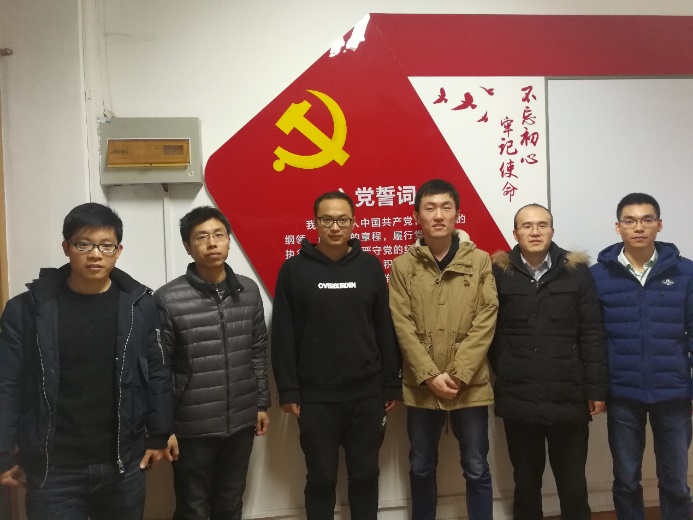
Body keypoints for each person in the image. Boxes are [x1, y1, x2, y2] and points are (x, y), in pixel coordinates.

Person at [0, 202, 173, 520]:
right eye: (84, 244)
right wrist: (3, 450)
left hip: (122, 463)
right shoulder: (26, 310)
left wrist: (160, 432)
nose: (95, 254)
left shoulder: (141, 306)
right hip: (54, 469)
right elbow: (7, 382)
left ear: (118, 251)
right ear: (66, 247)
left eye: (106, 245)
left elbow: (157, 370)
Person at [271, 191, 402, 520]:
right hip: (316, 397)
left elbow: (384, 328)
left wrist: (390, 383)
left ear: (353, 223)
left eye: (342, 220)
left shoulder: (370, 266)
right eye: (326, 219)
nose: (334, 227)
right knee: (321, 477)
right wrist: (288, 390)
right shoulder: (293, 270)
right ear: (315, 223)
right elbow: (283, 335)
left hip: (366, 394)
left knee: (365, 475)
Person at [489, 203, 608, 520]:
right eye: (527, 226)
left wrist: (596, 388)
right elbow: (490, 334)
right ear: (515, 233)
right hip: (519, 396)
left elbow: (592, 331)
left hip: (568, 395)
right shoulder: (499, 273)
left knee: (573, 483)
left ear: (552, 231)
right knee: (525, 483)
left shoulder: (576, 271)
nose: (535, 231)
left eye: (542, 225)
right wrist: (507, 370)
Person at [389, 179, 498, 520]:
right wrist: (429, 375)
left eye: (445, 207)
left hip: (471, 384)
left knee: (476, 466)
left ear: (457, 214)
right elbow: (402, 324)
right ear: (417, 216)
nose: (438, 215)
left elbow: (487, 318)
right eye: (430, 208)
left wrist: (460, 372)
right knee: (421, 465)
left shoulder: (479, 261)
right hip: (422, 386)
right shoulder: (403, 265)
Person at [154, 206, 270, 520]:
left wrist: (261, 403)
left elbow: (258, 350)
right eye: (202, 237)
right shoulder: (168, 299)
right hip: (192, 427)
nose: (212, 243)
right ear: (187, 246)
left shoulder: (248, 291)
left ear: (229, 240)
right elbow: (160, 368)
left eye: (219, 235)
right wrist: (164, 427)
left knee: (230, 503)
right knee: (192, 507)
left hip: (241, 421)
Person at [591, 193, 693, 520]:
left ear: (659, 225)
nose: (639, 227)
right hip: (623, 392)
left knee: (676, 482)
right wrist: (597, 388)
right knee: (626, 480)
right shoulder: (598, 276)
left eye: (647, 220)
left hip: (674, 392)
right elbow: (593, 337)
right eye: (630, 221)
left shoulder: (685, 272)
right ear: (618, 226)